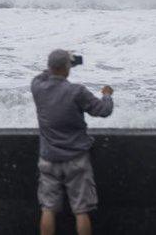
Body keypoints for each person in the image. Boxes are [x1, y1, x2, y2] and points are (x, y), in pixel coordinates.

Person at [30, 49, 113, 235]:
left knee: (48, 208)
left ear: (50, 67)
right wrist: (107, 94)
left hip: (48, 158)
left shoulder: (37, 87)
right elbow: (104, 110)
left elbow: (44, 74)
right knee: (81, 210)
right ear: (67, 68)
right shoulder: (77, 92)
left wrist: (61, 63)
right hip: (76, 158)